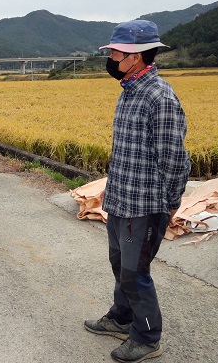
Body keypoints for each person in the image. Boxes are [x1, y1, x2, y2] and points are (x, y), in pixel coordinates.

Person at [84, 20, 191, 362]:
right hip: (120, 200)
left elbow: (175, 159)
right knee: (120, 264)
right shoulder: (129, 91)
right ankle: (121, 317)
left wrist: (171, 205)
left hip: (145, 206)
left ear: (136, 56)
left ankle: (147, 337)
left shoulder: (159, 96)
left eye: (117, 51)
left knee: (135, 272)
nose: (112, 57)